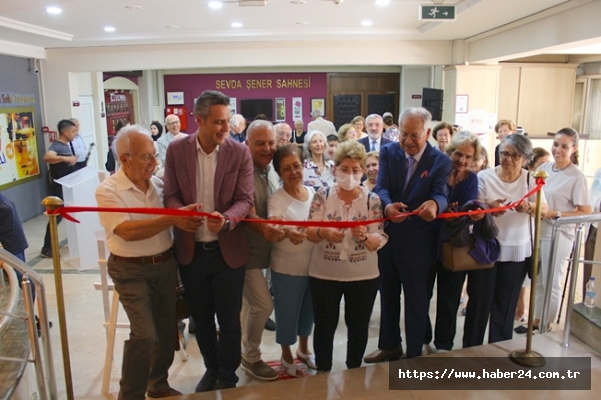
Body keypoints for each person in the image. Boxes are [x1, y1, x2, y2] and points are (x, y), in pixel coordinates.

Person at [95, 126, 202, 400]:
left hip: (165, 266)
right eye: (147, 157)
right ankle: (130, 395)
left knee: (167, 331)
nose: (154, 163)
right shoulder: (108, 191)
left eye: (155, 156)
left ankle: (157, 383)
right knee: (144, 335)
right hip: (130, 269)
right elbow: (127, 232)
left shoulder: (158, 185)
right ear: (124, 159)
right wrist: (173, 217)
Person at [163, 90, 254, 392]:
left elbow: (245, 199)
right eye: (218, 122)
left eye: (227, 121)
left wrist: (227, 219)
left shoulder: (239, 152)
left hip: (227, 250)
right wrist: (179, 214)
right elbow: (170, 196)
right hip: (191, 253)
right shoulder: (176, 151)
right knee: (200, 320)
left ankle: (227, 375)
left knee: (229, 321)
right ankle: (211, 368)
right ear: (199, 120)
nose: (225, 129)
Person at [364, 107, 452, 361]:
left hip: (420, 241)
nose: (408, 141)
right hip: (389, 238)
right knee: (388, 296)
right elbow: (380, 187)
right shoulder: (389, 151)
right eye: (403, 134)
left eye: (414, 136)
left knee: (416, 300)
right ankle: (390, 345)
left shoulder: (440, 161)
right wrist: (387, 205)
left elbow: (440, 194)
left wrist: (435, 205)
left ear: (427, 132)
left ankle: (414, 353)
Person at [306, 140, 388, 373]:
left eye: (355, 170)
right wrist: (324, 232)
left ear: (363, 171)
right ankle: (323, 370)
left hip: (363, 275)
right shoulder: (322, 195)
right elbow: (309, 232)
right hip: (324, 273)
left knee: (358, 325)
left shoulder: (372, 199)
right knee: (324, 325)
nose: (350, 174)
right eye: (344, 169)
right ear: (334, 169)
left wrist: (364, 237)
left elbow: (378, 238)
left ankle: (353, 369)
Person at [465, 134, 547, 347]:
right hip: (486, 248)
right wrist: (489, 206)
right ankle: (471, 349)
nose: (508, 159)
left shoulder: (530, 179)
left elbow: (543, 209)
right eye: (504, 154)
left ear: (525, 158)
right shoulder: (484, 176)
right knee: (479, 302)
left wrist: (529, 207)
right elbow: (476, 204)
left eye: (515, 155)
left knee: (506, 304)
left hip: (517, 249)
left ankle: (499, 349)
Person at [515, 128, 591, 334]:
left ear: (574, 149)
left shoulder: (576, 177)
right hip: (537, 229)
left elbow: (585, 211)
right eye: (556, 144)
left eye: (564, 146)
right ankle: (536, 320)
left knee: (552, 280)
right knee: (538, 280)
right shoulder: (545, 168)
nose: (558, 149)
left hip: (559, 233)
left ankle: (546, 323)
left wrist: (555, 214)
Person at [425, 132, 481, 352]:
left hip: (454, 245)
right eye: (459, 154)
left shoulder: (471, 178)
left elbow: (464, 209)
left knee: (449, 299)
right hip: (427, 243)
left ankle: (444, 345)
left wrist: (452, 210)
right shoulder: (436, 171)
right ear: (449, 152)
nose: (463, 161)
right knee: (422, 295)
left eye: (469, 157)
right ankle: (423, 337)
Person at [267, 144, 316, 377]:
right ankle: (286, 355)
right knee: (287, 314)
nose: (293, 172)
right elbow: (274, 222)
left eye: (297, 166)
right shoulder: (276, 199)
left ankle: (304, 349)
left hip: (314, 267)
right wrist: (287, 231)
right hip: (286, 269)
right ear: (278, 173)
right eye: (286, 169)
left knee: (308, 312)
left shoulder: (313, 193)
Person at [239, 120, 280, 381]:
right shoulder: (241, 171)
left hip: (269, 251)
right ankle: (250, 357)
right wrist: (263, 226)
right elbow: (246, 210)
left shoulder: (272, 169)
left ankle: (244, 353)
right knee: (263, 306)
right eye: (260, 143)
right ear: (247, 144)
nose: (267, 148)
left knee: (250, 307)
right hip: (246, 253)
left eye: (271, 143)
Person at [514, 147, 551, 323]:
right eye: (542, 164)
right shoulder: (526, 180)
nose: (546, 169)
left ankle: (535, 318)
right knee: (523, 283)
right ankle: (521, 310)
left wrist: (531, 207)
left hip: (542, 233)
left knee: (537, 280)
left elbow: (544, 209)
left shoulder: (538, 184)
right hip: (525, 235)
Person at [41, 119, 80, 258]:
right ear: (65, 132)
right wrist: (65, 159)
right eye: (73, 131)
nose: (75, 134)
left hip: (67, 187)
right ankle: (47, 247)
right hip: (59, 189)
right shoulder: (57, 146)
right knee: (55, 217)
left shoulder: (66, 145)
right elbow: (47, 157)